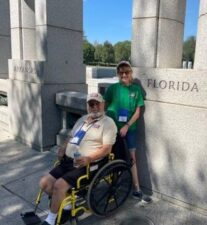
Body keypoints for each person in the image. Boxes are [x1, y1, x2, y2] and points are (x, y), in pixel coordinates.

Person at [39, 93, 117, 225]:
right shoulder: (82, 119)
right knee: (44, 183)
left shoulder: (108, 123)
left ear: (103, 104)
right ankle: (67, 205)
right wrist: (63, 147)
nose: (95, 107)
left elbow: (106, 149)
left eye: (97, 103)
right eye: (91, 104)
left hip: (88, 165)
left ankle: (50, 220)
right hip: (68, 161)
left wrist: (89, 158)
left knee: (58, 186)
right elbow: (70, 136)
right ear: (87, 106)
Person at [104, 61, 151, 203]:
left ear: (131, 73)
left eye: (126, 72)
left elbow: (138, 112)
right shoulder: (112, 88)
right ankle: (112, 187)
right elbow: (104, 106)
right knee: (112, 157)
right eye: (121, 72)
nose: (124, 75)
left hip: (129, 129)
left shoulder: (136, 90)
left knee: (132, 159)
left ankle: (136, 189)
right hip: (112, 129)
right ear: (118, 74)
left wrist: (126, 126)